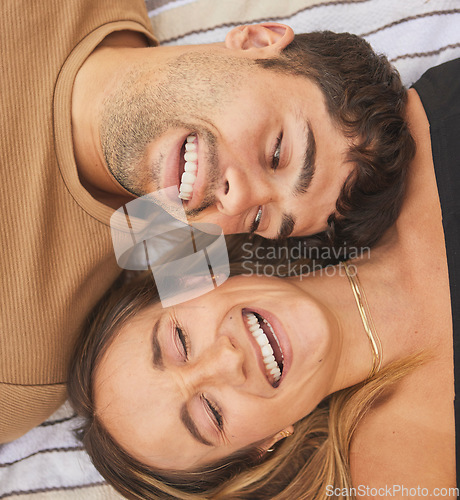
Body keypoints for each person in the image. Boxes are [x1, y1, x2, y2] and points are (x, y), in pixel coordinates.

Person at [0, 0, 412, 443]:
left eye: (259, 217)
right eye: (277, 153)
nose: (238, 200)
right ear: (258, 41)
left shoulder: (22, 365)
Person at [67, 51, 460, 497]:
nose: (228, 361)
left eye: (179, 340)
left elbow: (151, 156)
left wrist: (185, 232)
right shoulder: (401, 475)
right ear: (263, 447)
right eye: (211, 415)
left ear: (197, 281)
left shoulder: (390, 135)